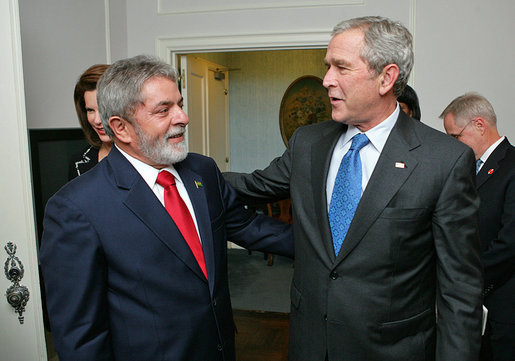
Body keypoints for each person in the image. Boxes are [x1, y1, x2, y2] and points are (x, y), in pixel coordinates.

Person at [224, 16, 483, 361]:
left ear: (386, 78)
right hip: (310, 342)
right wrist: (183, 171)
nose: (327, 80)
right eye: (327, 66)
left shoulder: (444, 160)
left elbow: (459, 288)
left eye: (341, 68)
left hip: (391, 349)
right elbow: (252, 186)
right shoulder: (308, 143)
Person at [40, 55, 293, 361]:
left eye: (179, 104)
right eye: (164, 110)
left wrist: (332, 247)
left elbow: (248, 226)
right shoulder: (76, 207)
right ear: (121, 128)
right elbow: (80, 334)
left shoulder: (203, 170)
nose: (183, 117)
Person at [441, 92, 515, 361]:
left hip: (504, 308)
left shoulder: (511, 166)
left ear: (480, 125)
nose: (452, 145)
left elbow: (509, 244)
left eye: (455, 137)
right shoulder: (469, 170)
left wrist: (464, 281)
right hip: (475, 308)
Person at [69, 64, 112, 179]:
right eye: (90, 110)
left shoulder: (149, 158)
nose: (97, 120)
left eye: (104, 109)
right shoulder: (79, 163)